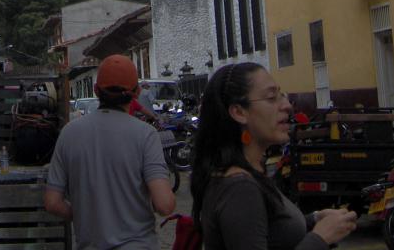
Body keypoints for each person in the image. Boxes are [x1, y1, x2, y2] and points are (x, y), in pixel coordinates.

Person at [190, 62, 358, 250]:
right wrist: (320, 238)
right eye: (271, 98)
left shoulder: (250, 170)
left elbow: (266, 230)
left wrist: (314, 220)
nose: (286, 106)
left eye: (281, 95)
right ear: (239, 112)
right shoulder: (240, 188)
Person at [44, 54, 176, 248]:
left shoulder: (69, 133)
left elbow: (53, 202)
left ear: (96, 91)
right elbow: (164, 205)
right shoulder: (146, 135)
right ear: (137, 91)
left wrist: (85, 216)